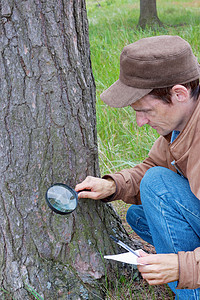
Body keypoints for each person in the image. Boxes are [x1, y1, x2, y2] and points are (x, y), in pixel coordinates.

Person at [75, 35, 200, 299]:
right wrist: (113, 185)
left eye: (146, 111)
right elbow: (155, 165)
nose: (140, 122)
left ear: (178, 93)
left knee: (157, 186)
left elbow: (157, 182)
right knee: (139, 216)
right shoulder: (183, 120)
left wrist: (182, 266)